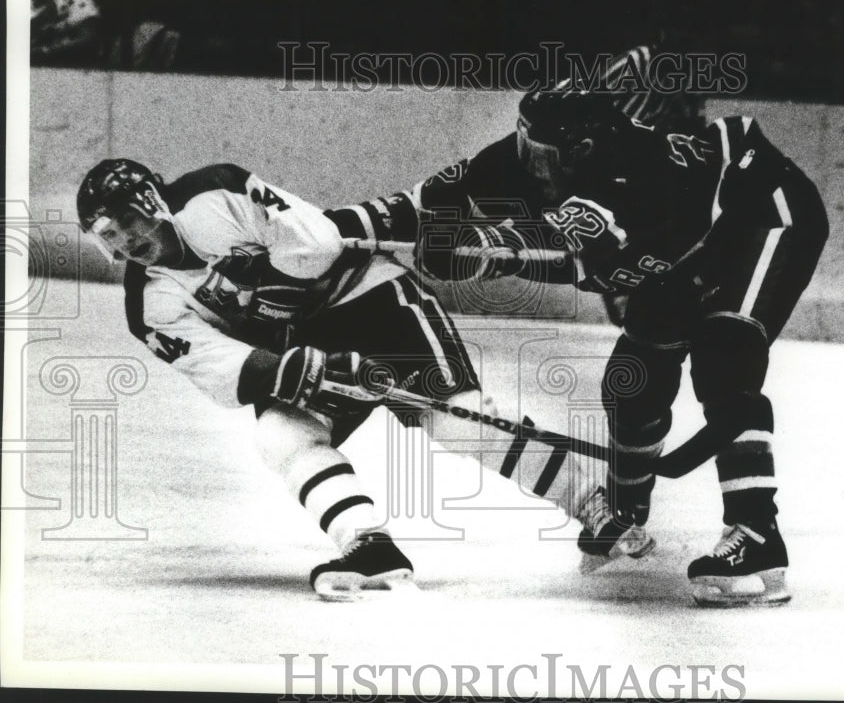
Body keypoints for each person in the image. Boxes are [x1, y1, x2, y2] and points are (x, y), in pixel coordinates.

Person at [74, 159, 652, 600]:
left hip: (369, 297)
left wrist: (283, 315)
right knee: (282, 437)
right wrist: (306, 374)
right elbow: (222, 367)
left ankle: (596, 507)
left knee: (456, 419)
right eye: (110, 234)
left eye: (128, 220)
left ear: (152, 202)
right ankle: (367, 545)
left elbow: (317, 243)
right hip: (305, 348)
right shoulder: (149, 304)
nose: (125, 240)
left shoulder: (215, 193)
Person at [365, 86, 829, 607]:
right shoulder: (533, 152)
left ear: (583, 149)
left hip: (763, 213)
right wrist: (320, 229)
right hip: (685, 243)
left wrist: (487, 251)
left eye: (539, 154)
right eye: (524, 143)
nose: (527, 164)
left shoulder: (641, 177)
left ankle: (759, 537)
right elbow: (420, 203)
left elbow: (571, 254)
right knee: (632, 383)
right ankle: (627, 515)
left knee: (725, 357)